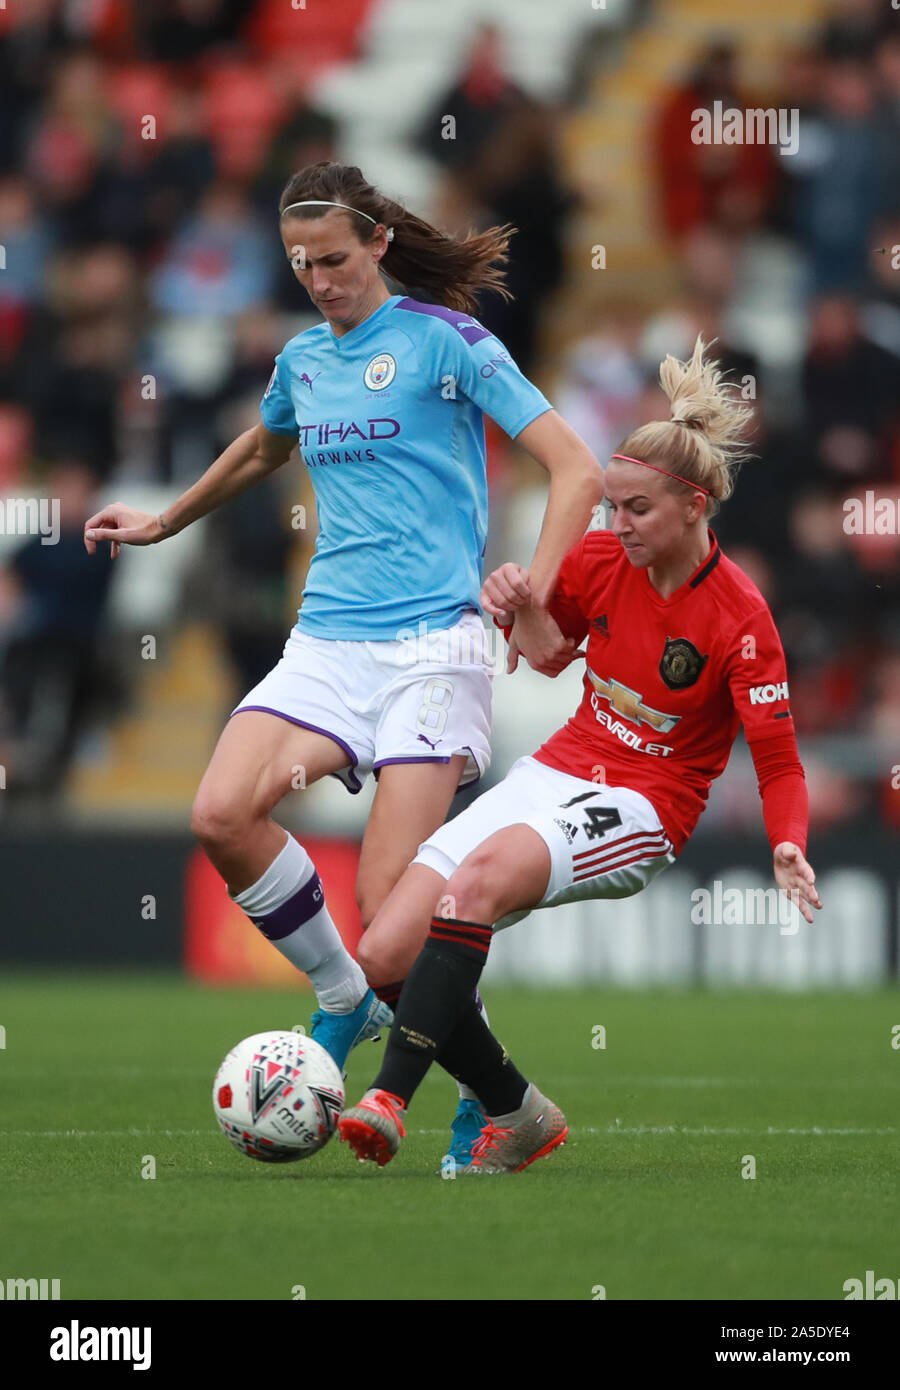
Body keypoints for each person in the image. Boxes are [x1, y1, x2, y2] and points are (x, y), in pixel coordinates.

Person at [83, 161, 605, 1160]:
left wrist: (535, 585)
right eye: (298, 264)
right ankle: (345, 1000)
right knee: (222, 813)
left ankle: (492, 1100)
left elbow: (574, 463)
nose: (319, 280)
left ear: (376, 243)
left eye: (333, 259)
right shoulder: (303, 361)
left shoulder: (447, 342)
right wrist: (165, 520)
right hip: (326, 640)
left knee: (391, 916)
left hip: (432, 651)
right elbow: (261, 447)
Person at [338, 336, 823, 1173]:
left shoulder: (742, 618)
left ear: (696, 507)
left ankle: (388, 1098)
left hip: (647, 805)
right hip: (561, 765)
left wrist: (789, 840)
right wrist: (510, 599)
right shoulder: (601, 559)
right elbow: (550, 649)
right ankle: (517, 1111)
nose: (615, 524)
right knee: (383, 949)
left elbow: (779, 762)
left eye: (635, 509)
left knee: (477, 884)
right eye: (609, 506)